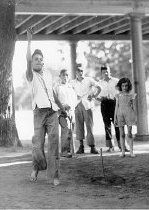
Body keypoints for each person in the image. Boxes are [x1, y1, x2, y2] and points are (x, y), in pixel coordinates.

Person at [26, 28, 64, 186]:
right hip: (39, 113)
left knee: (54, 144)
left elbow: (53, 94)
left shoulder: (48, 74)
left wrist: (62, 108)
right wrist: (29, 41)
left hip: (52, 112)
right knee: (38, 145)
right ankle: (37, 167)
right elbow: (27, 60)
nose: (39, 61)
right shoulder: (30, 75)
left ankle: (55, 175)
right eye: (36, 59)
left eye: (41, 59)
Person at [70, 64, 101, 154]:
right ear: (75, 72)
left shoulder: (89, 80)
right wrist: (74, 97)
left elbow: (99, 87)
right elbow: (68, 91)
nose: (80, 72)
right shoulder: (72, 82)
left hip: (88, 105)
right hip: (78, 105)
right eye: (78, 71)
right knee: (79, 126)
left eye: (81, 71)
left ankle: (92, 147)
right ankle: (81, 146)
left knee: (89, 126)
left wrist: (94, 96)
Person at [97, 65, 124, 152]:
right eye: (104, 72)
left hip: (114, 104)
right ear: (101, 73)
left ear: (109, 71)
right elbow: (95, 95)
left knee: (117, 124)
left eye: (107, 71)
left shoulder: (116, 81)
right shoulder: (99, 83)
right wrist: (100, 98)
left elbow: (122, 92)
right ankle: (110, 146)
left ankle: (121, 145)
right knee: (107, 126)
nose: (106, 73)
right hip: (104, 104)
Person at [54, 69, 77, 158]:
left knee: (71, 131)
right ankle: (64, 151)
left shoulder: (70, 87)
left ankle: (70, 150)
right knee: (65, 130)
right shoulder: (57, 87)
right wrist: (62, 107)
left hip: (71, 111)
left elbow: (74, 99)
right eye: (63, 75)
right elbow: (54, 100)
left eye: (67, 75)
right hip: (61, 112)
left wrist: (71, 107)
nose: (65, 77)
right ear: (60, 76)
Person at [114, 78, 137, 158]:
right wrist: (115, 118)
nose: (124, 87)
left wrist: (135, 117)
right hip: (120, 114)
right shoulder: (118, 95)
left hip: (129, 114)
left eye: (126, 86)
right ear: (120, 86)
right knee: (122, 133)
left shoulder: (131, 95)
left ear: (128, 86)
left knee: (129, 133)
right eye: (123, 86)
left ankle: (131, 152)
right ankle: (123, 152)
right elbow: (116, 107)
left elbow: (134, 107)